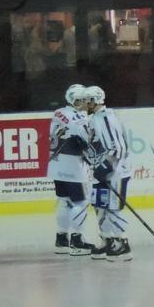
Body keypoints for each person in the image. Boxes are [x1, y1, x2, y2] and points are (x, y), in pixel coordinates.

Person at [86, 85, 133, 261]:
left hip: (116, 172)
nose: (85, 104)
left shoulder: (106, 118)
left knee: (113, 207)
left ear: (95, 100)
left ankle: (123, 244)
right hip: (102, 171)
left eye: (87, 100)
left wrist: (106, 166)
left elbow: (118, 148)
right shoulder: (95, 118)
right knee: (100, 205)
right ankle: (107, 240)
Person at [48, 84, 96, 256]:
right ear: (76, 101)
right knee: (80, 202)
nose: (86, 103)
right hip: (73, 166)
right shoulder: (80, 118)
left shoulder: (58, 112)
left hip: (56, 164)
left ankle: (62, 239)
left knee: (64, 200)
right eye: (83, 100)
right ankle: (77, 241)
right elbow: (86, 143)